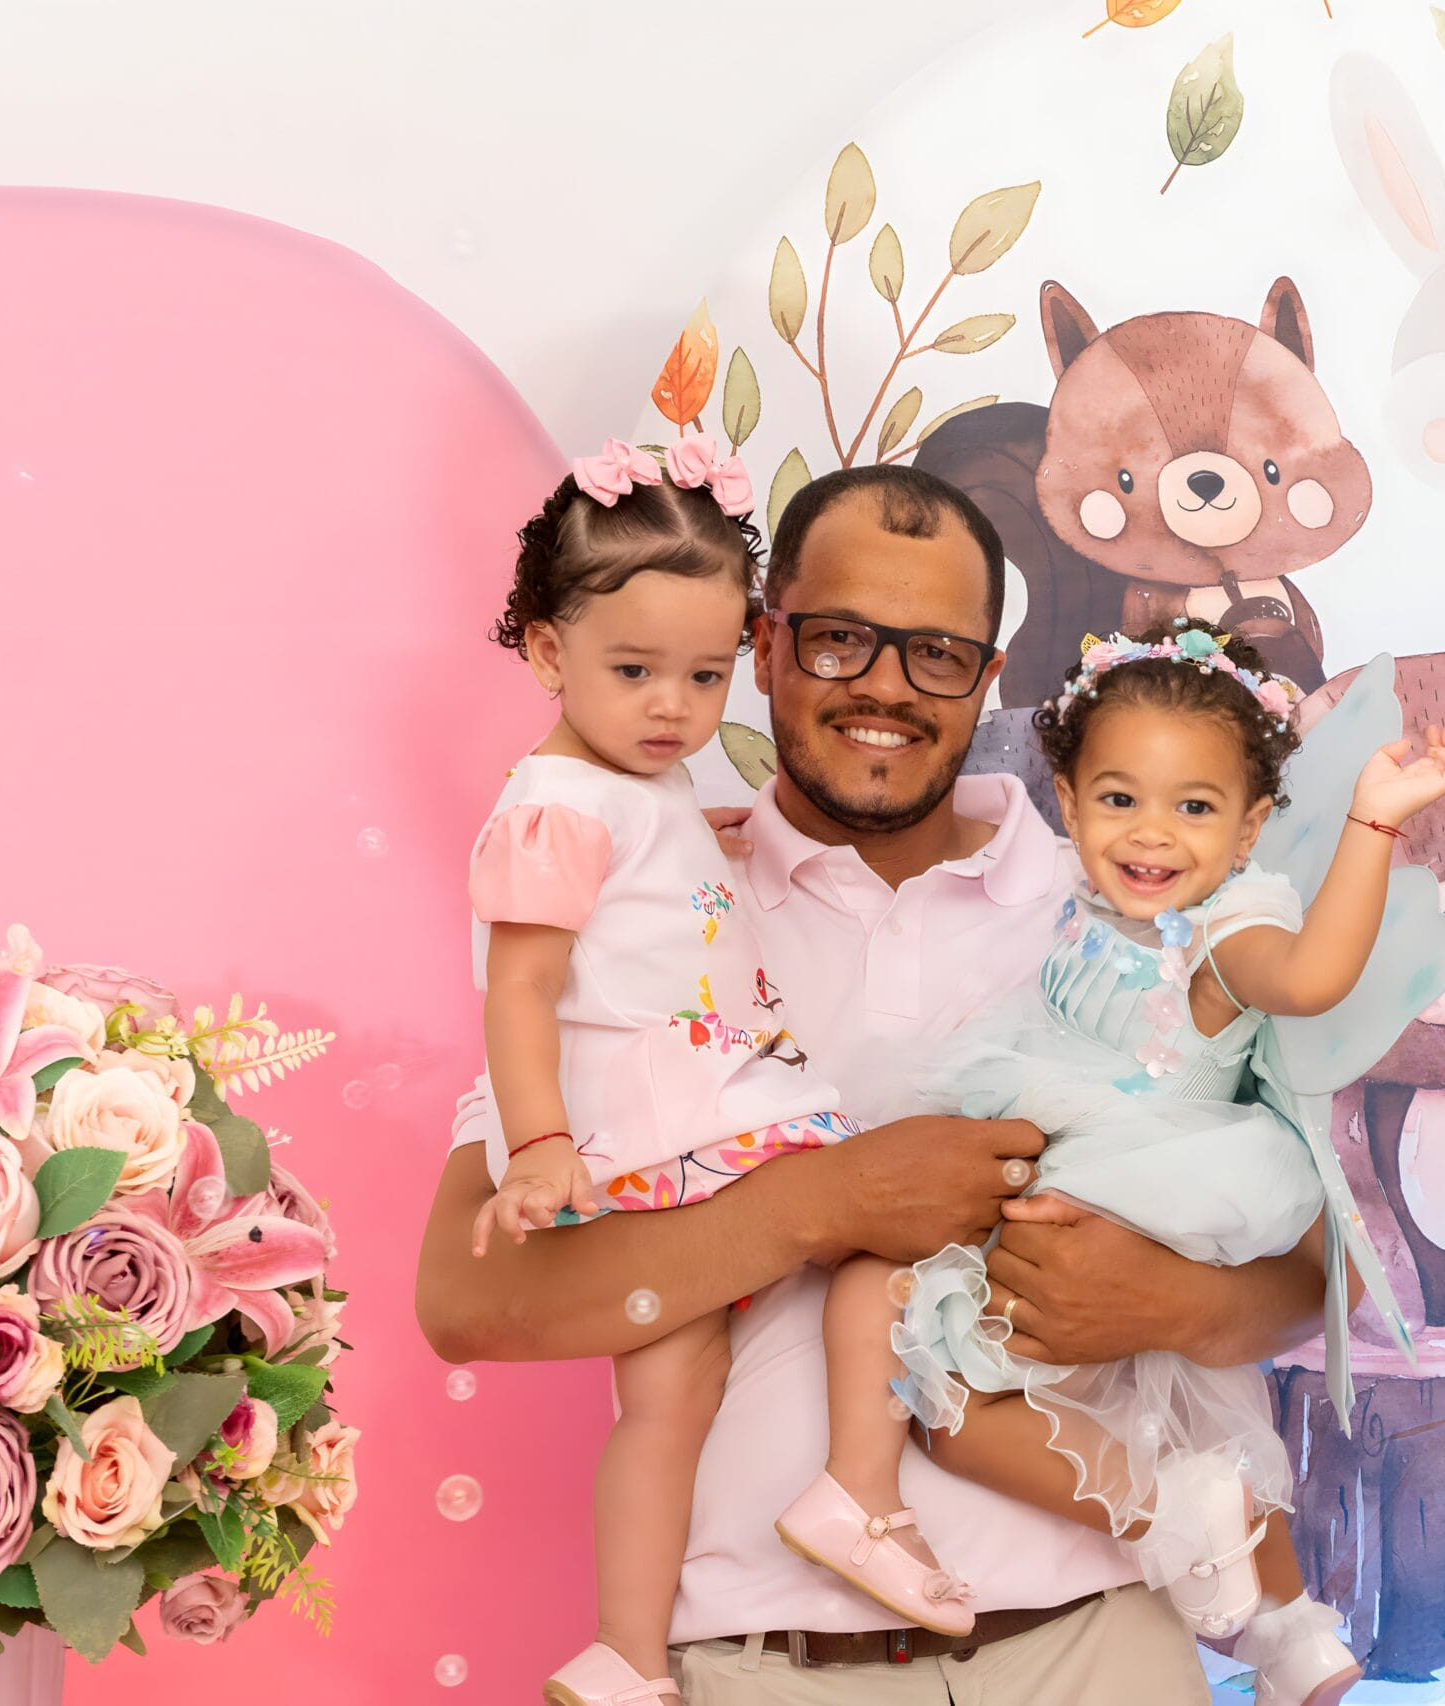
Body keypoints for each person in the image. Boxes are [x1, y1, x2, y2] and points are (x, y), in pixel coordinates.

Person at [416, 464, 1351, 1705]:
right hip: (767, 1666)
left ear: (990, 672)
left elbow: (1316, 1276)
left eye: (937, 653)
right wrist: (823, 1203)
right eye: (839, 637)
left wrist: (1171, 1299)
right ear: (762, 643)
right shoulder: (649, 900)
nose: (887, 685)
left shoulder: (1131, 896)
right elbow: (467, 1301)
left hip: (1099, 1637)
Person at [775, 617, 1445, 1706]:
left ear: (1250, 827)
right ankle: (1291, 1633)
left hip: (1127, 1178)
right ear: (1066, 799)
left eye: (1194, 808)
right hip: (1082, 1162)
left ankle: (894, 1495)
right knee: (1198, 1411)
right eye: (1118, 798)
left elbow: (1313, 977)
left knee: (940, 1388)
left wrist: (1373, 821)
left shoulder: (1228, 934)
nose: (1152, 834)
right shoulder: (1091, 905)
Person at [457, 435, 886, 1706]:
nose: (673, 707)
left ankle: (629, 1651)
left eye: (705, 675)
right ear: (547, 651)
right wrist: (540, 1144)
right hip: (662, 1121)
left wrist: (695, 831)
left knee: (673, 1394)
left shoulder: (629, 785)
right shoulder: (555, 805)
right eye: (634, 670)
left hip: (688, 1110)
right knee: (874, 1235)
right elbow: (520, 985)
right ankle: (856, 1493)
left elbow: (632, 878)